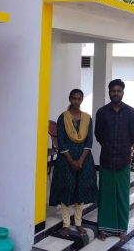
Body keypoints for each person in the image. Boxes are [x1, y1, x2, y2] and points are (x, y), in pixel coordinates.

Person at [94, 79, 134, 242]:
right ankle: (104, 230)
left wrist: (122, 147)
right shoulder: (102, 112)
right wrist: (108, 146)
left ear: (123, 92)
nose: (116, 93)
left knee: (121, 195)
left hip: (123, 161)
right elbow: (98, 134)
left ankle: (122, 230)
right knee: (105, 196)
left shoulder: (130, 112)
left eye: (119, 91)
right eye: (113, 91)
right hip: (106, 160)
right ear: (109, 92)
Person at [49, 89, 98, 236]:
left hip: (84, 161)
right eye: (74, 98)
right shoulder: (62, 118)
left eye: (79, 99)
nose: (76, 101)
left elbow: (89, 141)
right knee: (66, 189)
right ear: (70, 99)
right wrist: (71, 161)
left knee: (80, 190)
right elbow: (61, 141)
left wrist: (80, 160)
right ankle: (65, 224)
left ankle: (78, 223)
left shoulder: (87, 118)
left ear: (82, 100)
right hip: (66, 160)